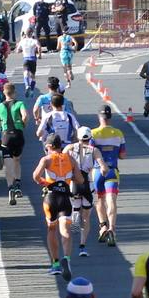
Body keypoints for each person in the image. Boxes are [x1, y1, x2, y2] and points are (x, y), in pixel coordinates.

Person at [32, 134, 80, 280]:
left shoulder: (46, 159)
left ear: (49, 146)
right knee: (65, 229)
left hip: (50, 197)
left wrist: (47, 184)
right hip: (65, 198)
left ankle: (55, 264)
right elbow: (80, 179)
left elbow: (35, 176)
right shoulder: (70, 159)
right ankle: (67, 257)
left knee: (51, 229)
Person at [65, 127, 106, 258]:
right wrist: (103, 172)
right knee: (86, 217)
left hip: (74, 184)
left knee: (75, 209)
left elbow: (61, 160)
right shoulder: (94, 150)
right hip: (88, 184)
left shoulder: (70, 148)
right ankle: (82, 246)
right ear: (90, 138)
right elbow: (103, 167)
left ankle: (75, 214)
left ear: (78, 137)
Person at [89, 106, 126, 247]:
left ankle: (102, 226)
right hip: (111, 170)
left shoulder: (93, 133)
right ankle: (112, 229)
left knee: (100, 199)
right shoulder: (118, 133)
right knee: (112, 200)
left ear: (99, 117)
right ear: (110, 117)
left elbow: (90, 153)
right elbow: (122, 155)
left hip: (97, 171)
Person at [0, 82, 29, 205]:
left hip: (6, 136)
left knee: (9, 165)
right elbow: (25, 116)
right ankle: (18, 185)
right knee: (17, 160)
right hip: (18, 135)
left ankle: (10, 188)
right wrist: (23, 124)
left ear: (4, 92)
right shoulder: (19, 103)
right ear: (14, 92)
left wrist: (2, 125)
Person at [17, 28, 42, 97]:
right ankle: (31, 89)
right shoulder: (34, 41)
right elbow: (39, 47)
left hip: (26, 58)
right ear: (32, 33)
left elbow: (17, 50)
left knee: (25, 73)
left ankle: (27, 85)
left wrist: (22, 50)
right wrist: (39, 54)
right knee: (33, 76)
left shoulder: (22, 41)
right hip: (33, 59)